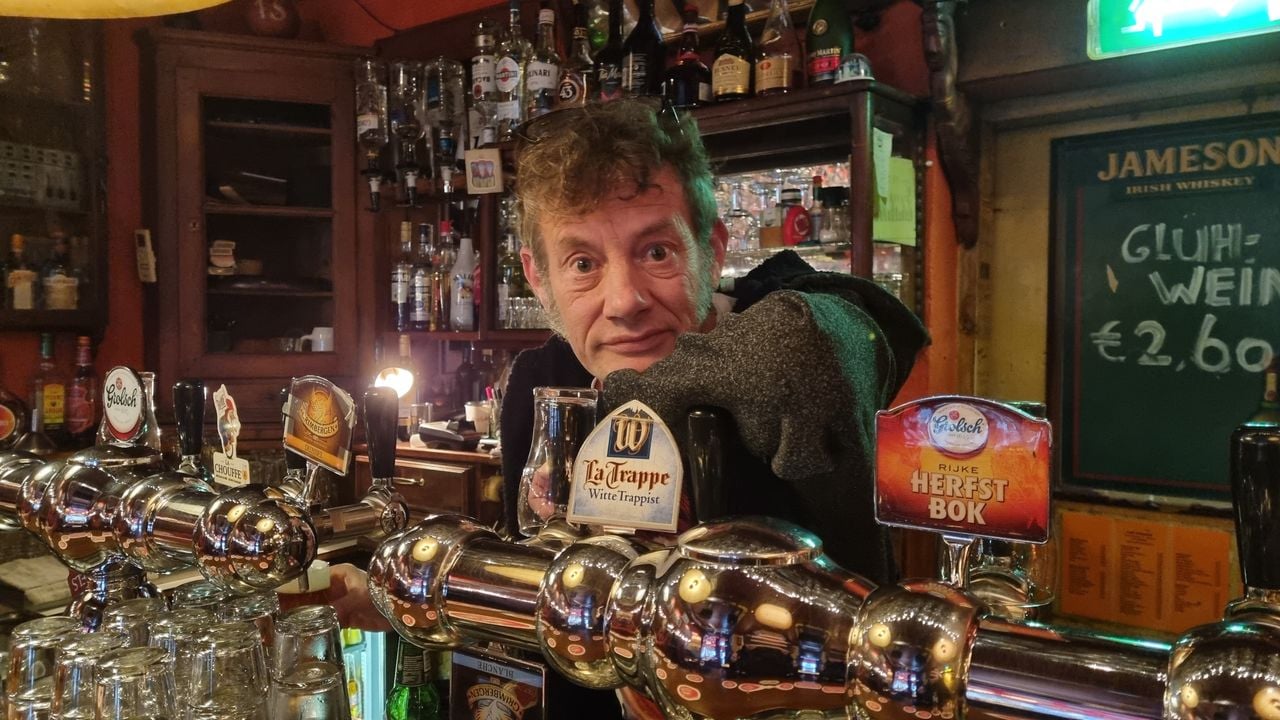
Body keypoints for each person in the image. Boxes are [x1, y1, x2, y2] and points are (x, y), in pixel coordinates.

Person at [331, 98, 928, 718]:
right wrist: (404, 596)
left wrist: (633, 396)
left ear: (711, 251)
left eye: (656, 252)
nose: (624, 301)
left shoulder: (791, 345)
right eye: (582, 263)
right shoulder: (542, 381)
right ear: (538, 279)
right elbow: (540, 578)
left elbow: (822, 341)